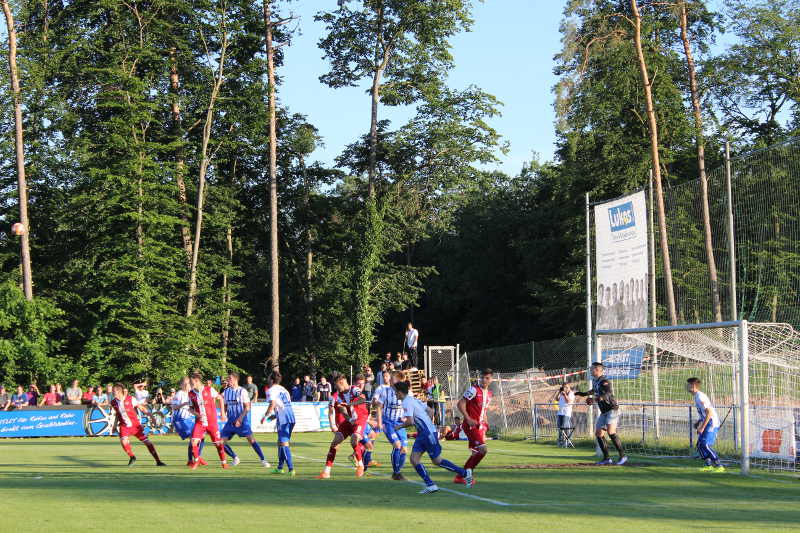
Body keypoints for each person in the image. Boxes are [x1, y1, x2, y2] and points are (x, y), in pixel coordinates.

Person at [394, 380, 472, 494]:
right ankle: (430, 485)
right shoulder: (413, 399)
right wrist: (427, 424)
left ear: (400, 392)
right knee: (414, 459)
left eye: (395, 392)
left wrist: (399, 427)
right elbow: (430, 411)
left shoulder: (406, 402)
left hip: (427, 434)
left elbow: (410, 421)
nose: (395, 394)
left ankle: (465, 473)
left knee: (437, 460)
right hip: (424, 433)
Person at [316, 375, 368, 479]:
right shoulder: (337, 396)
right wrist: (348, 420)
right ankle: (326, 472)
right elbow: (342, 411)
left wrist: (350, 404)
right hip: (349, 421)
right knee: (335, 442)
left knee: (354, 440)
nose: (336, 388)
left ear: (341, 383)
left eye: (336, 385)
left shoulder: (354, 389)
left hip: (360, 419)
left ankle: (360, 465)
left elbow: (362, 399)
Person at [575, 362, 626, 465]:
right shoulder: (596, 381)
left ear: (598, 370)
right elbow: (594, 391)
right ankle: (607, 458)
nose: (590, 371)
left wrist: (594, 399)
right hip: (604, 412)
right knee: (599, 433)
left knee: (611, 432)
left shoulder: (605, 381)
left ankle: (623, 456)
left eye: (592, 369)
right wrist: (583, 394)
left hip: (612, 409)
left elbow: (608, 394)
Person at [109, 383, 165, 467]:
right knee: (123, 441)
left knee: (148, 443)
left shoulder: (130, 399)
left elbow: (142, 408)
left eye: (114, 392)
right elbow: (118, 414)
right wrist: (114, 425)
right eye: (113, 392)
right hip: (124, 426)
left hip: (135, 426)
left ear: (119, 392)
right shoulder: (113, 402)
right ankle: (132, 457)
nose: (113, 393)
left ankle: (158, 461)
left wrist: (152, 417)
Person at [221, 371, 269, 468]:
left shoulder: (242, 391)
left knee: (251, 440)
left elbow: (247, 407)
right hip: (230, 421)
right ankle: (235, 457)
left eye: (229, 379)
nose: (227, 380)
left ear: (235, 380)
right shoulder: (226, 391)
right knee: (220, 442)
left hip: (242, 420)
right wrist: (223, 414)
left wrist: (240, 419)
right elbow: (225, 405)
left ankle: (263, 459)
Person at [456, 368, 494, 484]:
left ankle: (462, 476)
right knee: (483, 450)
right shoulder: (473, 390)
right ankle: (463, 475)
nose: (484, 380)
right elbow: (460, 403)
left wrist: (485, 424)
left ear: (491, 379)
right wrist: (468, 418)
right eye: (482, 377)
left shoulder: (489, 394)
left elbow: (483, 410)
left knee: (475, 452)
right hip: (470, 425)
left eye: (487, 378)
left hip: (479, 426)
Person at [188, 372, 229, 470]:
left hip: (212, 422)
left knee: (218, 444)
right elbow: (190, 409)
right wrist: (197, 414)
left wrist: (223, 413)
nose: (190, 383)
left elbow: (220, 398)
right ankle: (197, 460)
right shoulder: (191, 393)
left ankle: (224, 462)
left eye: (192, 381)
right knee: (193, 441)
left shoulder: (209, 389)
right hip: (200, 422)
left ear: (197, 380)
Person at [373, 370, 408, 480]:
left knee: (404, 449)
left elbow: (409, 406)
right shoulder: (386, 391)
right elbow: (379, 406)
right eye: (392, 379)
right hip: (388, 422)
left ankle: (398, 470)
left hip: (400, 423)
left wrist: (406, 417)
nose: (391, 381)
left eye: (393, 379)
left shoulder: (407, 392)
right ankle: (396, 473)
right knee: (397, 445)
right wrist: (379, 422)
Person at [260, 372, 296, 475]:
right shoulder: (284, 389)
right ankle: (280, 468)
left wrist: (264, 416)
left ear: (271, 380)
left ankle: (291, 469)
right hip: (291, 417)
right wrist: (268, 419)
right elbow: (281, 406)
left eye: (268, 378)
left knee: (283, 443)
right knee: (280, 442)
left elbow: (273, 404)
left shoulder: (271, 390)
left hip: (284, 419)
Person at [687, 377, 724, 473]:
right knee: (699, 445)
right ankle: (708, 465)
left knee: (705, 444)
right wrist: (699, 421)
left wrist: (702, 427)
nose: (687, 387)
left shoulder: (700, 397)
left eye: (688, 385)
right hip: (706, 421)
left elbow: (709, 413)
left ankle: (719, 465)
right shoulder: (696, 396)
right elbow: (704, 413)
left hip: (711, 422)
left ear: (693, 386)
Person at [172, 377, 207, 466]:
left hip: (189, 419)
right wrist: (184, 404)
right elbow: (174, 407)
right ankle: (195, 459)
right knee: (193, 438)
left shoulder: (192, 394)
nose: (188, 385)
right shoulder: (180, 394)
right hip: (180, 420)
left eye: (189, 383)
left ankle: (193, 459)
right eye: (186, 383)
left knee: (201, 437)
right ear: (182, 385)